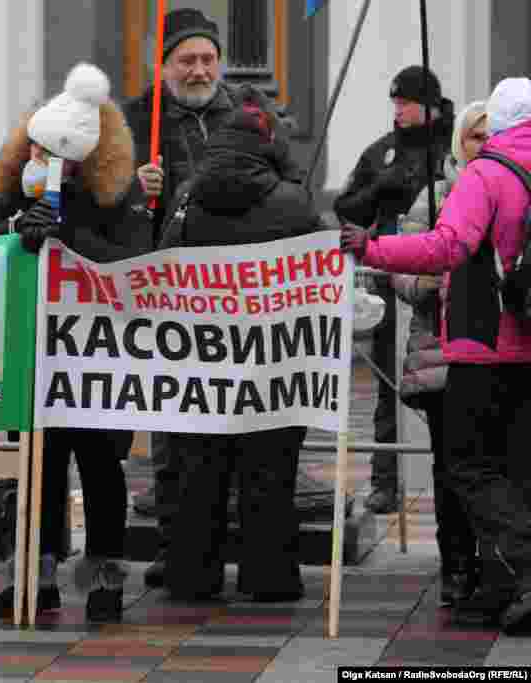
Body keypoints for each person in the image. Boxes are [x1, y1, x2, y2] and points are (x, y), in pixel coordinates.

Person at [341, 77, 531, 634]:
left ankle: (522, 568)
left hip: (483, 342)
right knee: (517, 469)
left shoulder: (487, 174)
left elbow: (447, 247)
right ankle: (505, 587)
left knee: (468, 466)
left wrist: (371, 247)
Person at [123, 6, 299, 587]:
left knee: (238, 436)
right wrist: (134, 189)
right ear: (164, 66)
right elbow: (109, 202)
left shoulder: (252, 113)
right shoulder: (135, 120)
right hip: (172, 303)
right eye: (186, 60)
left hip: (247, 306)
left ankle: (219, 554)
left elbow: (290, 176)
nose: (199, 70)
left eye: (207, 59)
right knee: (176, 434)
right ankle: (177, 545)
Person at [0, 63, 151, 622]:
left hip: (98, 355)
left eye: (57, 153)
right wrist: (15, 231)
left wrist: (69, 232)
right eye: (37, 149)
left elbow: (132, 264)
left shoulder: (117, 193)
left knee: (101, 470)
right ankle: (38, 575)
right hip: (35, 350)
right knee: (41, 468)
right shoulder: (15, 187)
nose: (44, 160)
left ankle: (104, 579)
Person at [156, 96, 320, 603]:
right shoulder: (293, 202)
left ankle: (191, 577)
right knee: (270, 472)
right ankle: (271, 578)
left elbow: (163, 264)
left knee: (197, 473)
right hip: (274, 360)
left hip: (200, 360)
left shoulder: (187, 195)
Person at [334, 65, 455, 514]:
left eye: (405, 102)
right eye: (395, 102)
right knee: (389, 382)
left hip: (442, 284)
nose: (398, 110)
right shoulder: (381, 152)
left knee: (447, 385)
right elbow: (346, 208)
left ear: (429, 105)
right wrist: (377, 191)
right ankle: (385, 479)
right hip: (389, 279)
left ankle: (451, 479)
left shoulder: (451, 149)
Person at [393, 100, 486, 606]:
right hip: (441, 357)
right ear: (459, 143)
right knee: (451, 468)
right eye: (476, 136)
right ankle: (456, 566)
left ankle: (498, 564)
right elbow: (401, 266)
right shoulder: (434, 198)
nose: (485, 145)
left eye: (494, 135)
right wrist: (422, 281)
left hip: (499, 356)